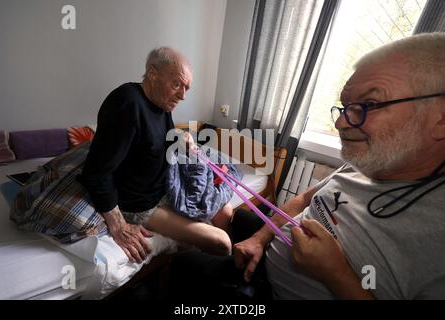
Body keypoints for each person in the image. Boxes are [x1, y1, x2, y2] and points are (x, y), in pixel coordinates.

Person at [167, 32, 445, 300]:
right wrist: (260, 240)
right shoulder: (365, 163)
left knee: (186, 266)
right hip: (266, 261)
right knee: (232, 223)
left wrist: (335, 273)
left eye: (370, 104)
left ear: (440, 118)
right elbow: (301, 199)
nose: (340, 123)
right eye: (345, 106)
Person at [79, 47, 233, 264]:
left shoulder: (162, 103)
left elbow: (157, 138)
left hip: (166, 185)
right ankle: (207, 273)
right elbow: (96, 173)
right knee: (222, 241)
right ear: (153, 74)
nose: (182, 96)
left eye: (186, 88)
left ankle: (203, 265)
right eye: (177, 84)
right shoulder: (127, 103)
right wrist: (118, 225)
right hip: (141, 203)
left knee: (225, 211)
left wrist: (182, 137)